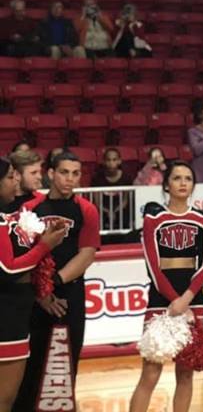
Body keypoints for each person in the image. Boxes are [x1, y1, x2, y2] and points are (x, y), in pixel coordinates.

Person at [13, 152, 100, 412]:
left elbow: (87, 254)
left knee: (65, 363)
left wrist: (55, 282)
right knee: (30, 367)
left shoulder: (87, 209)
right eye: (64, 172)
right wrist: (41, 292)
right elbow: (22, 252)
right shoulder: (30, 208)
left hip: (69, 295)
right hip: (33, 296)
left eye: (75, 173)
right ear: (51, 174)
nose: (70, 179)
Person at [129, 161, 203, 412]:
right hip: (160, 300)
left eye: (188, 178)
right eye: (177, 178)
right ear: (166, 185)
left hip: (193, 300)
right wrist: (175, 300)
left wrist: (185, 299)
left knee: (186, 373)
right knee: (150, 373)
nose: (183, 183)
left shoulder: (201, 219)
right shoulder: (155, 219)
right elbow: (153, 267)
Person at [0, 158, 66, 412]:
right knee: (4, 400)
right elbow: (8, 269)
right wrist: (45, 246)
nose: (15, 180)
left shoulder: (8, 218)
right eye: (10, 177)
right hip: (6, 318)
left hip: (14, 314)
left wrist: (41, 238)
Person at [91, 147, 130, 232]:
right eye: (108, 160)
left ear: (119, 161)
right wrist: (108, 212)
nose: (111, 163)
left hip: (121, 211)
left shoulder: (126, 178)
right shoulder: (97, 178)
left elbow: (125, 201)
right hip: (102, 212)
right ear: (104, 162)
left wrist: (115, 212)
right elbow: (97, 202)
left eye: (114, 160)